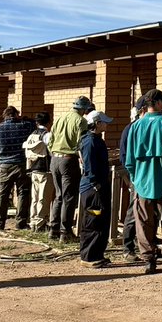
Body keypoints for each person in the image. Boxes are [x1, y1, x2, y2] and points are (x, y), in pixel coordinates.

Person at [123, 89, 162, 275]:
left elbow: (129, 160)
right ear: (156, 103)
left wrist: (135, 181)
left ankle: (149, 260)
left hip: (142, 183)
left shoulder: (135, 126)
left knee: (143, 222)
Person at [49, 96, 93, 242]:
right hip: (68, 159)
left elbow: (51, 139)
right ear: (84, 108)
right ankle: (65, 232)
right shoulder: (81, 121)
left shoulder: (60, 118)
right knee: (69, 197)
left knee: (59, 195)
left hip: (55, 158)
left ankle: (53, 229)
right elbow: (82, 143)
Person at [0, 106, 35, 233]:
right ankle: (21, 223)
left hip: (5, 165)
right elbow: (33, 125)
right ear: (16, 114)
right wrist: (24, 119)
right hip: (21, 164)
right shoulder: (25, 126)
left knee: (3, 194)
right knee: (23, 193)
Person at [78, 110, 114, 267]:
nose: (106, 124)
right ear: (97, 123)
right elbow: (89, 166)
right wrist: (96, 184)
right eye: (104, 122)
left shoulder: (95, 140)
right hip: (93, 189)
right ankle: (89, 257)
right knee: (93, 221)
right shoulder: (90, 142)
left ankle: (98, 254)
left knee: (101, 221)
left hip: (98, 187)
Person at [118, 98, 145, 262]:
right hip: (137, 177)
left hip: (149, 177)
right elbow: (124, 155)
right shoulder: (132, 128)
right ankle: (128, 248)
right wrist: (131, 177)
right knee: (133, 212)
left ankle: (145, 246)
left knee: (148, 213)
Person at [23, 111, 53, 232]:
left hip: (33, 169)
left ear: (36, 122)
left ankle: (33, 221)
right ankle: (41, 223)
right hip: (45, 170)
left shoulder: (32, 135)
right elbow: (52, 151)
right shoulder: (47, 135)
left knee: (34, 197)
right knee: (43, 198)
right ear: (49, 122)